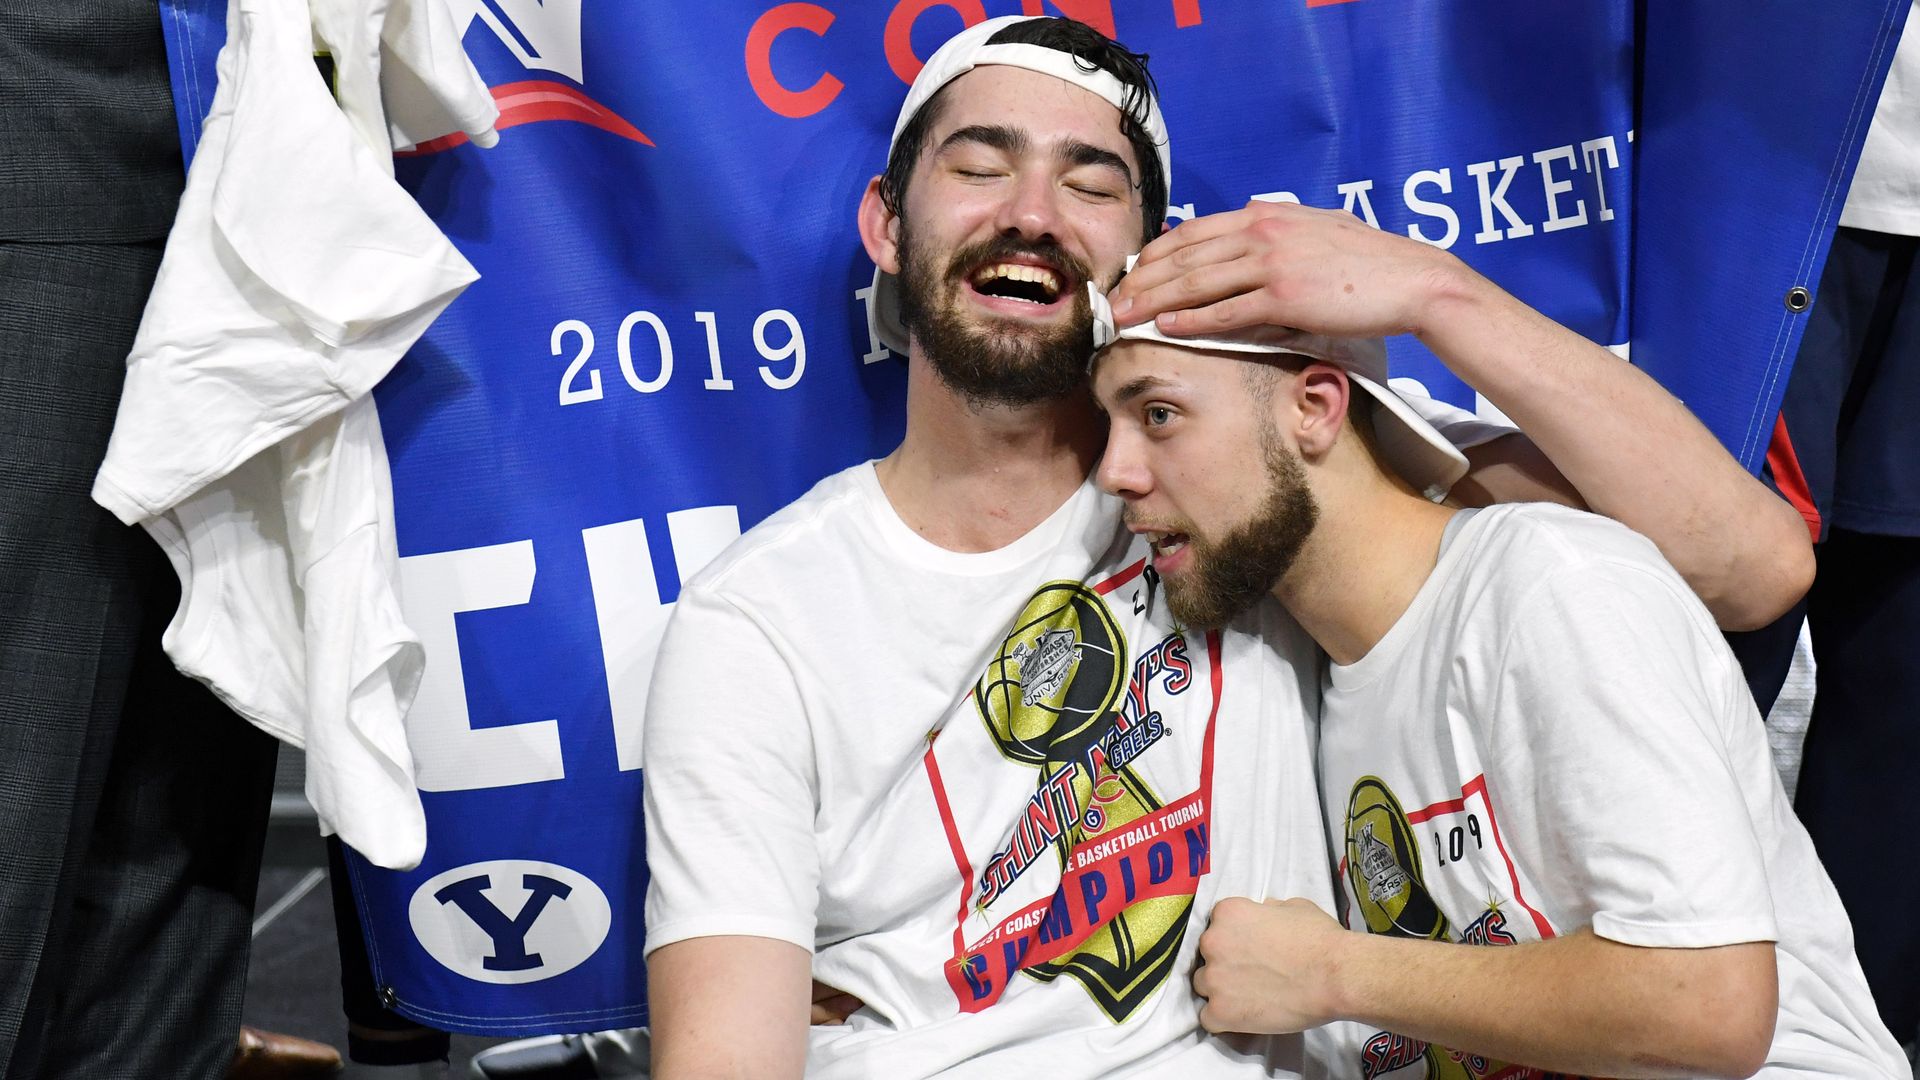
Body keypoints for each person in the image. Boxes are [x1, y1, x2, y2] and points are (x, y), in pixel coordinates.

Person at [638, 15, 1813, 1080]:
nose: (1032, 213)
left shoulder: (1241, 460)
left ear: (1146, 259)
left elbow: (1750, 570)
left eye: (1089, 184)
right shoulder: (759, 620)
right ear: (887, 225)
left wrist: (1438, 295)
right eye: (981, 165)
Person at [1087, 255, 1907, 1077]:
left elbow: (1706, 1006)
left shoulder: (1550, 584)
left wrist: (1330, 972)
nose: (1114, 473)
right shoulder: (1311, 683)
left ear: (1317, 408)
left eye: (1159, 415)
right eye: (1108, 430)